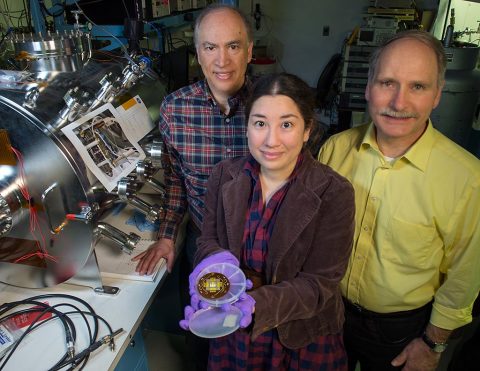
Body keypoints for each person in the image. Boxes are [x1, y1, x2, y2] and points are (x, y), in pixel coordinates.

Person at [318, 30, 480, 371]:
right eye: (387, 82)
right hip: (329, 311)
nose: (399, 102)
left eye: (417, 87)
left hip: (402, 332)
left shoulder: (467, 178)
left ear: (437, 95)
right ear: (368, 87)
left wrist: (433, 344)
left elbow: (465, 276)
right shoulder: (334, 149)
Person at [181, 72, 356, 370]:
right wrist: (213, 264)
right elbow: (207, 240)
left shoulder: (333, 192)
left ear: (306, 130)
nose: (271, 140)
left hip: (298, 337)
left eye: (286, 125)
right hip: (232, 329)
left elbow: (320, 284)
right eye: (260, 123)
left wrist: (257, 304)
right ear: (247, 127)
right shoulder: (224, 175)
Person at [132, 4, 253, 274]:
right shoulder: (176, 109)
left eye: (233, 46)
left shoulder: (272, 106)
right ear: (198, 54)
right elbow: (176, 179)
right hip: (203, 244)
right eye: (210, 48)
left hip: (261, 246)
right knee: (204, 314)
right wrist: (166, 236)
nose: (222, 61)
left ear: (249, 51)